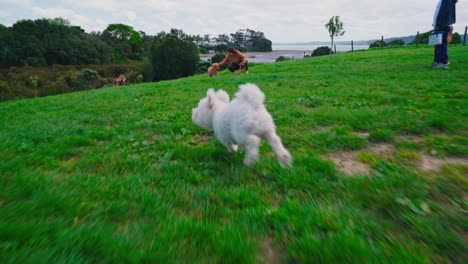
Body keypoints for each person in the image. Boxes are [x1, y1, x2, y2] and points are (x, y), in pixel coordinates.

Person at [432, 0, 457, 69]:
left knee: (441, 45)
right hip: (445, 24)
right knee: (438, 44)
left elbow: (441, 13)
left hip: (441, 25)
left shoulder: (446, 1)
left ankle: (443, 63)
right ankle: (437, 61)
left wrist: (436, 24)